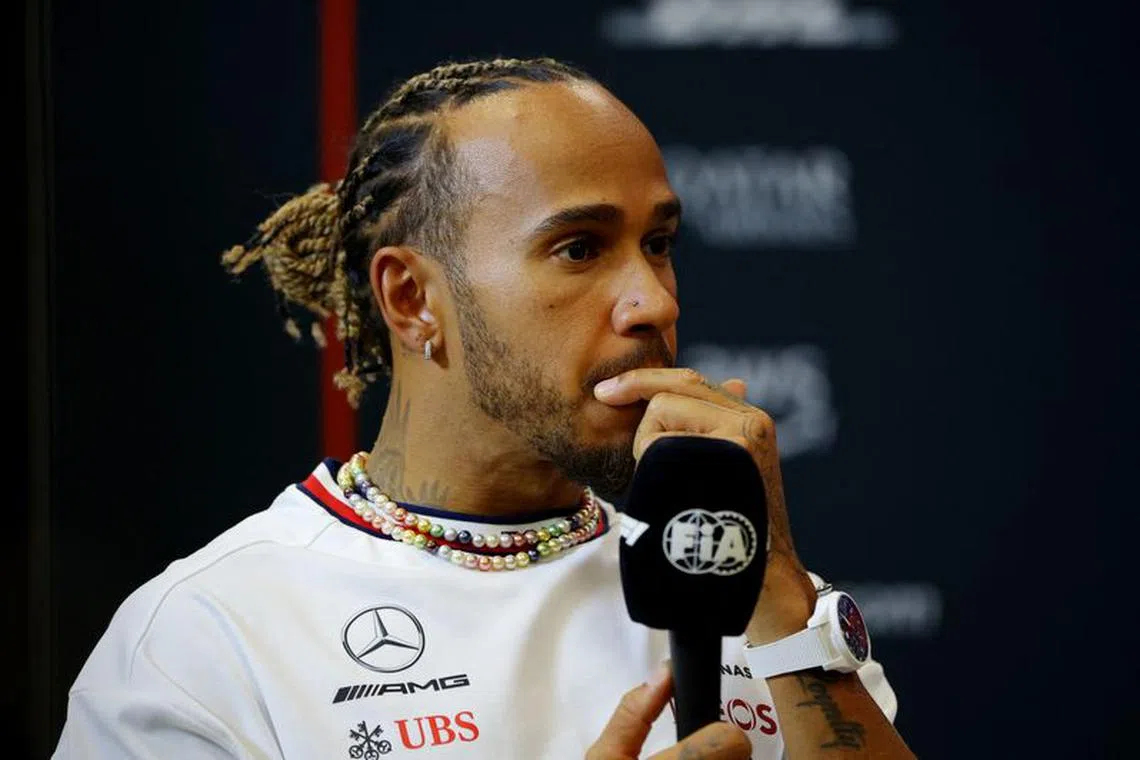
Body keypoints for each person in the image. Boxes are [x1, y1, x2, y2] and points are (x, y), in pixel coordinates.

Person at [54, 57, 914, 759]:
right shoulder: (209, 638)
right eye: (579, 248)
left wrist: (774, 589)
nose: (652, 301)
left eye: (658, 244)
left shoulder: (763, 598)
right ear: (413, 300)